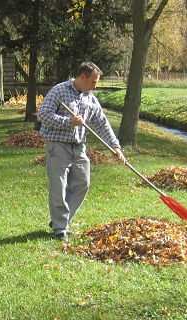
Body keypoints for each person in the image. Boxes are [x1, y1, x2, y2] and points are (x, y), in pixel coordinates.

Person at [37, 61, 125, 242]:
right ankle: (60, 228)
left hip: (79, 147)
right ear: (82, 77)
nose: (95, 86)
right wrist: (68, 121)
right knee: (59, 188)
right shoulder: (59, 91)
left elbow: (102, 124)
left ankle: (60, 221)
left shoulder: (90, 98)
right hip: (58, 145)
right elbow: (43, 115)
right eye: (93, 81)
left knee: (83, 184)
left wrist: (115, 146)